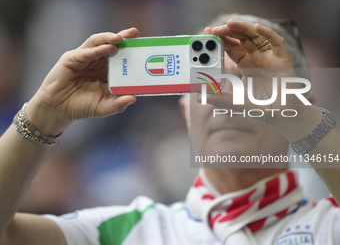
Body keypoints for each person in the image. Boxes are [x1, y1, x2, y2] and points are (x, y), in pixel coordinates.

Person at [0, 14, 340, 245]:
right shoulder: (127, 231)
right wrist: (42, 115)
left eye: (253, 87)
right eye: (208, 83)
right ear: (184, 110)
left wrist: (296, 115)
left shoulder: (330, 225)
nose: (228, 104)